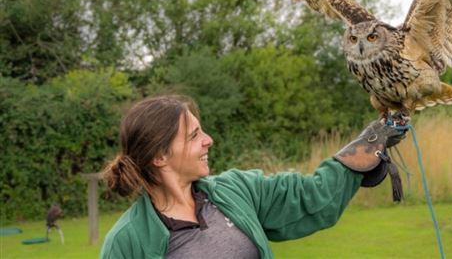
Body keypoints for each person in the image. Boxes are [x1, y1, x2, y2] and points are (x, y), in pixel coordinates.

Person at [100, 95, 405, 259]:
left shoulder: (235, 190)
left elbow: (309, 196)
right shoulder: (127, 242)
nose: (209, 140)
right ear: (160, 156)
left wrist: (362, 150)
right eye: (194, 136)